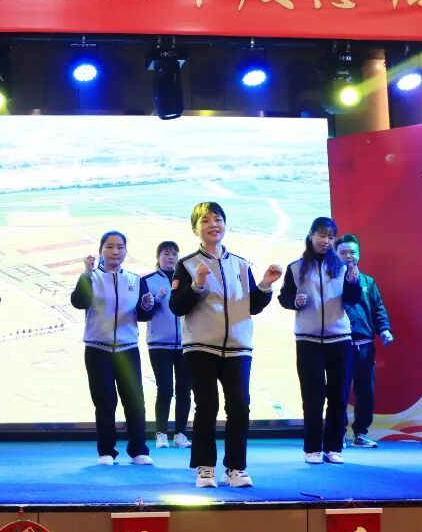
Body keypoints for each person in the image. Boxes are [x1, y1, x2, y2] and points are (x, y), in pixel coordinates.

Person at [170, 202, 281, 488]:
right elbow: (176, 306)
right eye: (206, 220)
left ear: (225, 225)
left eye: (218, 219)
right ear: (195, 228)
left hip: (238, 347)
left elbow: (252, 306)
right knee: (207, 407)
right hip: (200, 347)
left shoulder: (241, 264)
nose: (213, 225)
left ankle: (236, 468)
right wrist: (197, 285)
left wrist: (265, 285)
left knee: (240, 407)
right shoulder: (187, 264)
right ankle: (205, 468)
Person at [279, 217, 360, 465]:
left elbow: (353, 300)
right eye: (322, 236)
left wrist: (353, 282)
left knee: (338, 395)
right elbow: (284, 298)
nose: (326, 241)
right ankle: (312, 448)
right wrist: (295, 302)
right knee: (312, 397)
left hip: (340, 339)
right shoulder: (296, 268)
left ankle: (333, 447)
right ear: (311, 235)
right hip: (308, 340)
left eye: (331, 237)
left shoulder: (343, 267)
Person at [71, 231, 156, 465]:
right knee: (105, 402)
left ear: (126, 251)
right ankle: (106, 451)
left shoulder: (135, 280)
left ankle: (138, 450)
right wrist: (86, 274)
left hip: (128, 350)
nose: (115, 251)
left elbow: (143, 314)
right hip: (98, 349)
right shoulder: (91, 277)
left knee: (135, 402)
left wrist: (147, 305)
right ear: (100, 251)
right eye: (109, 247)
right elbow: (78, 301)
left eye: (120, 247)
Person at [335, 233, 391, 448]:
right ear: (336, 254)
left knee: (365, 392)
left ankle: (360, 433)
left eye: (352, 252)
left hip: (365, 345)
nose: (348, 256)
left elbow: (378, 309)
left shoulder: (368, 282)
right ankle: (337, 434)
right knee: (338, 391)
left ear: (358, 254)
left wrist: (384, 330)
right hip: (340, 344)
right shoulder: (331, 282)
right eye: (343, 253)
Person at [142, 241, 192, 451]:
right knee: (164, 389)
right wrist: (155, 299)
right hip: (159, 345)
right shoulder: (147, 281)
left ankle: (180, 434)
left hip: (186, 344)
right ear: (158, 257)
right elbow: (142, 313)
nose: (171, 257)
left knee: (184, 391)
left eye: (174, 254)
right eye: (166, 254)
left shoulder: (188, 280)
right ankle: (161, 434)